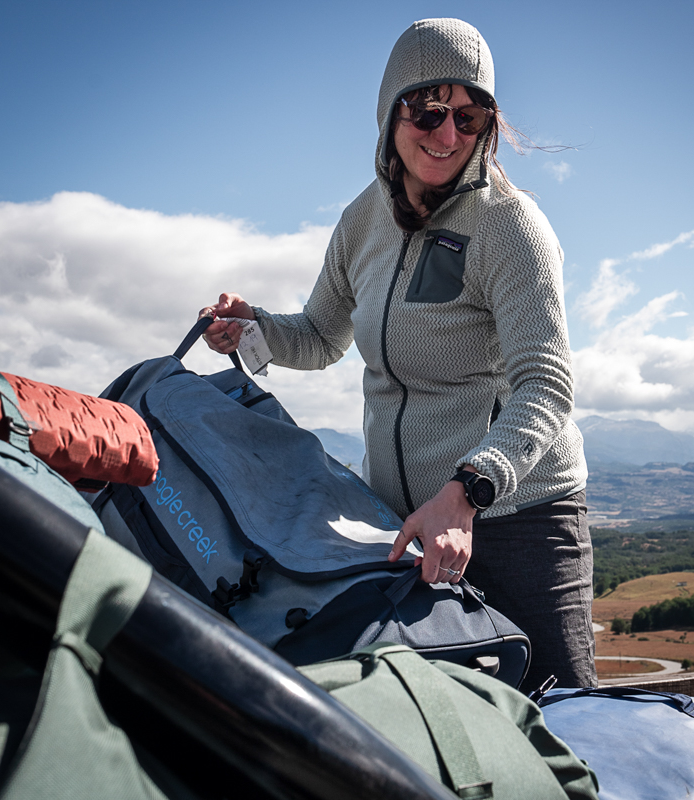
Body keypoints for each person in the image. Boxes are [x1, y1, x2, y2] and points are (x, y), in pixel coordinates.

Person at [199, 18, 595, 692]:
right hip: (403, 532)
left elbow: (547, 386)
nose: (446, 136)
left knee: (564, 728)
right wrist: (253, 327)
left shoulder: (510, 226)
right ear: (390, 113)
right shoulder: (362, 221)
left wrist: (467, 491)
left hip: (517, 521)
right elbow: (323, 336)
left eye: (468, 118)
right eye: (427, 110)